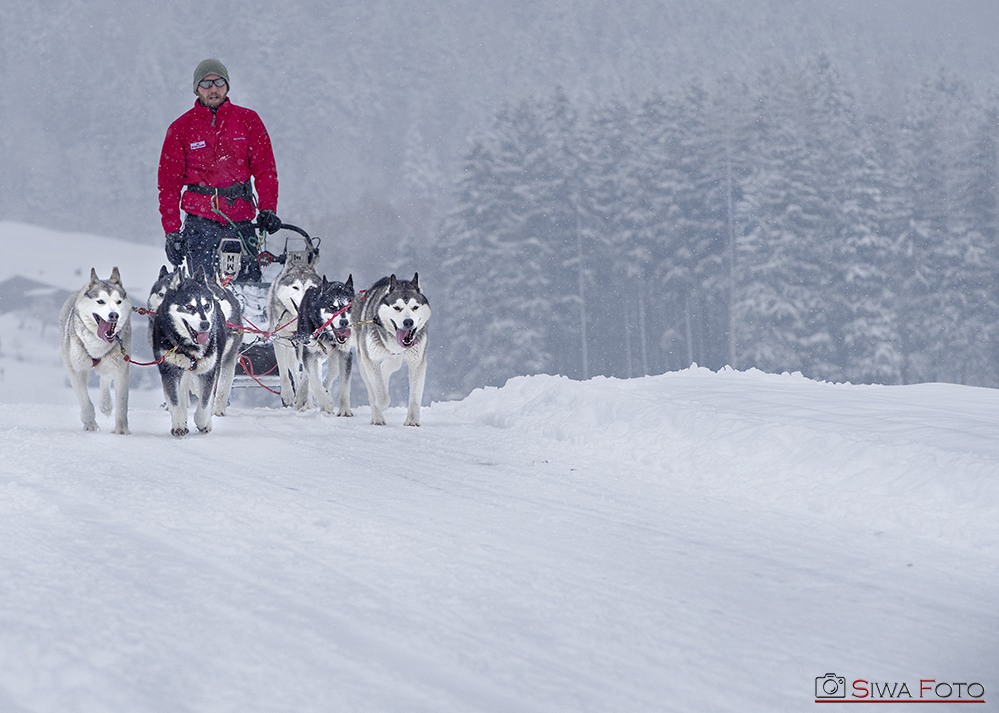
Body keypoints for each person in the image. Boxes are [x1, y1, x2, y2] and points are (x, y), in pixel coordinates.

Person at [157, 58, 281, 282]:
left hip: (241, 222)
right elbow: (169, 186)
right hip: (200, 226)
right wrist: (172, 231)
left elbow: (266, 171)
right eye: (206, 84)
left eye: (219, 82)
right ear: (196, 89)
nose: (213, 89)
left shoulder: (249, 121)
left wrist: (268, 209)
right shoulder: (180, 129)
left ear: (227, 86)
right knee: (203, 296)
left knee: (248, 293)